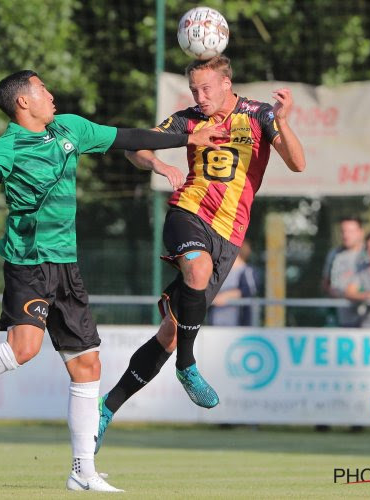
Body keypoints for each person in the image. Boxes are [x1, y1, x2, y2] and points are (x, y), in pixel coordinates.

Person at [0, 69, 228, 493]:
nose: (51, 94)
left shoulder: (71, 129)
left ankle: (82, 470)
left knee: (87, 365)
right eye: (42, 89)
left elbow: (127, 137)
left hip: (67, 265)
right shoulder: (9, 144)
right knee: (23, 349)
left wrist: (185, 139)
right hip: (29, 262)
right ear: (23, 101)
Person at [96, 55, 305, 453]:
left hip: (229, 235)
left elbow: (298, 163)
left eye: (206, 88)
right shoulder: (188, 118)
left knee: (171, 332)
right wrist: (157, 163)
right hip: (187, 212)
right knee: (197, 268)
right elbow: (135, 147)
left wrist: (285, 121)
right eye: (194, 89)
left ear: (228, 83)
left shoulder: (260, 115)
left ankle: (105, 410)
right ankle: (187, 367)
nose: (200, 96)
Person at [322, 216, 367, 327]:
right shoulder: (334, 254)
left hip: (365, 318)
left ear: (361, 232)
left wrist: (355, 294)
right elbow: (325, 282)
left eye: (351, 231)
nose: (346, 235)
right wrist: (333, 291)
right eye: (343, 231)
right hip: (338, 317)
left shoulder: (369, 254)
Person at [208, 242, 260, 326]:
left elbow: (249, 289)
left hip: (238, 326)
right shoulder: (219, 272)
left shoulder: (247, 271)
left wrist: (226, 296)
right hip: (215, 323)